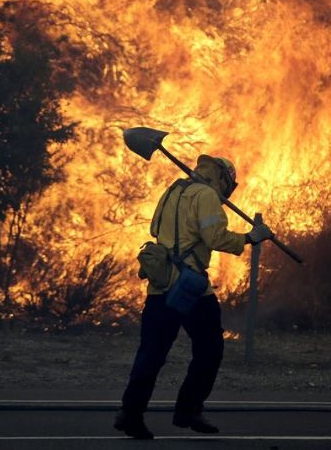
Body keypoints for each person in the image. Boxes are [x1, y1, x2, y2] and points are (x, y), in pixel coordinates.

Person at [114, 154, 274, 439]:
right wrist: (251, 237)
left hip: (160, 286)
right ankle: (189, 410)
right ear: (223, 178)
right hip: (189, 288)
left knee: (151, 354)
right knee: (210, 349)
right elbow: (216, 238)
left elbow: (155, 229)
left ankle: (130, 413)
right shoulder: (207, 195)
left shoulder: (172, 190)